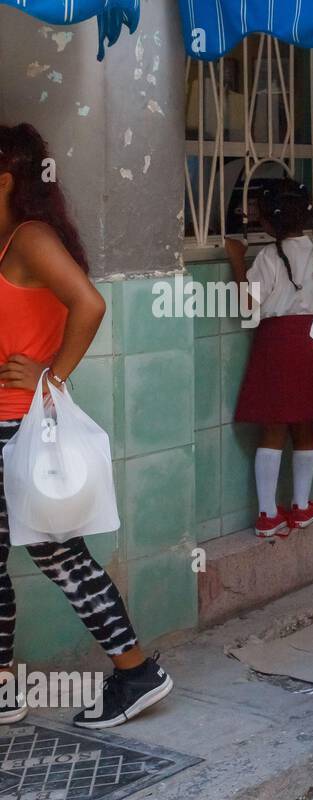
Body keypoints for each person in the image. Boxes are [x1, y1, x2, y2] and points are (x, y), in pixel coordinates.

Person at [0, 123, 171, 729]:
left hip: (18, 431)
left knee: (62, 556)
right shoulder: (11, 242)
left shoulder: (30, 238)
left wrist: (52, 374)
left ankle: (136, 671)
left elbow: (90, 304)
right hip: (8, 429)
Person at [225, 178, 313, 537]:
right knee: (306, 423)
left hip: (275, 344)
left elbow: (248, 305)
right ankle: (303, 506)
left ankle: (267, 514)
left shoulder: (268, 257)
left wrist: (235, 262)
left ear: (268, 223)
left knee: (273, 425)